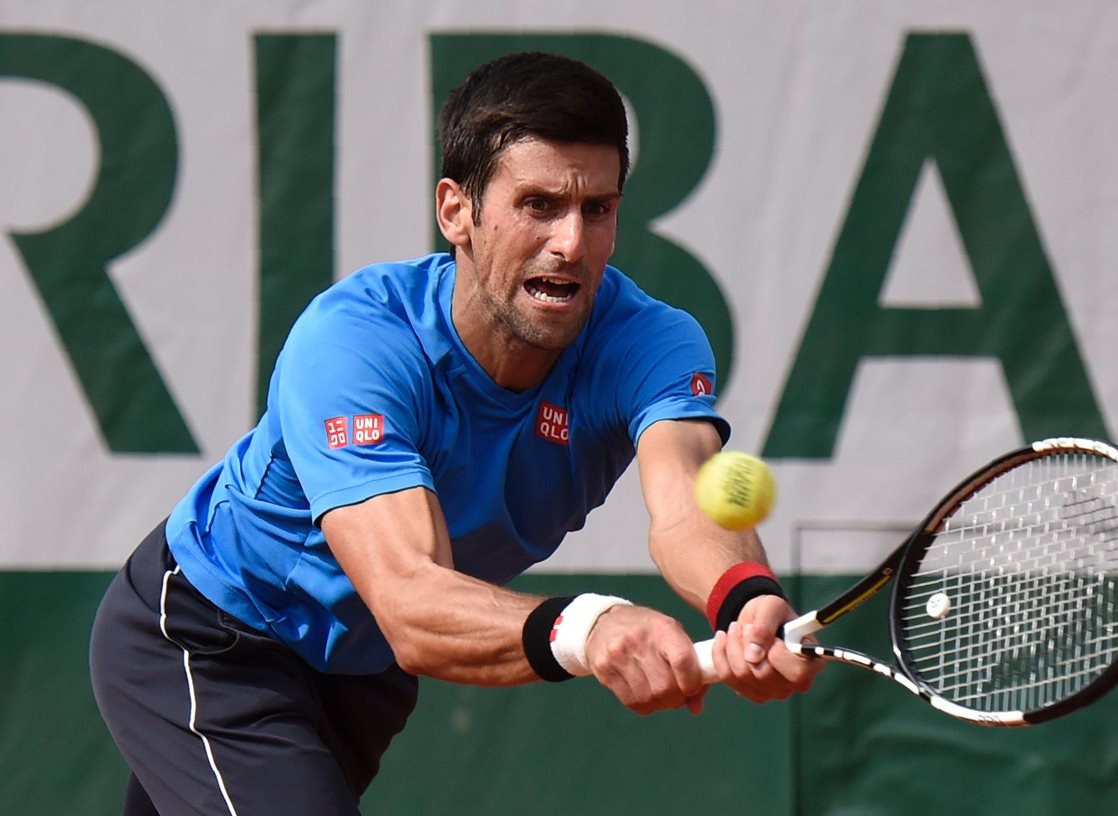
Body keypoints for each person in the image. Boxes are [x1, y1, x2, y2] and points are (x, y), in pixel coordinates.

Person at [89, 50, 823, 815]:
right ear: (455, 212)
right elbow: (410, 596)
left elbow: (687, 497)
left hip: (363, 676)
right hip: (217, 633)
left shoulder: (650, 342)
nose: (572, 243)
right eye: (538, 204)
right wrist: (591, 626)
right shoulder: (356, 344)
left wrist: (743, 600)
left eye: (597, 209)